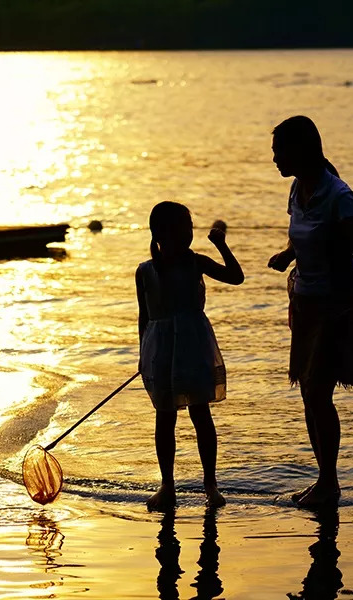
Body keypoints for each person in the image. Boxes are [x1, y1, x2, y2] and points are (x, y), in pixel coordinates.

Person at [267, 115, 353, 508]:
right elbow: (305, 231)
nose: (275, 158)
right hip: (305, 304)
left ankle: (329, 482)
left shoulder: (340, 196)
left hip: (335, 306)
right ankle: (325, 479)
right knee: (310, 394)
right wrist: (287, 254)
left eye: (280, 151)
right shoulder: (298, 189)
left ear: (301, 150)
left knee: (317, 392)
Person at [136, 201, 244, 510]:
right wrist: (143, 354)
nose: (188, 232)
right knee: (165, 417)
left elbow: (236, 277)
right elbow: (144, 317)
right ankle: (166, 485)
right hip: (159, 349)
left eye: (189, 226)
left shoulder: (197, 262)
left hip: (194, 345)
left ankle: (211, 485)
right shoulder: (145, 271)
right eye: (182, 227)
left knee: (201, 414)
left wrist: (222, 246)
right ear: (161, 233)